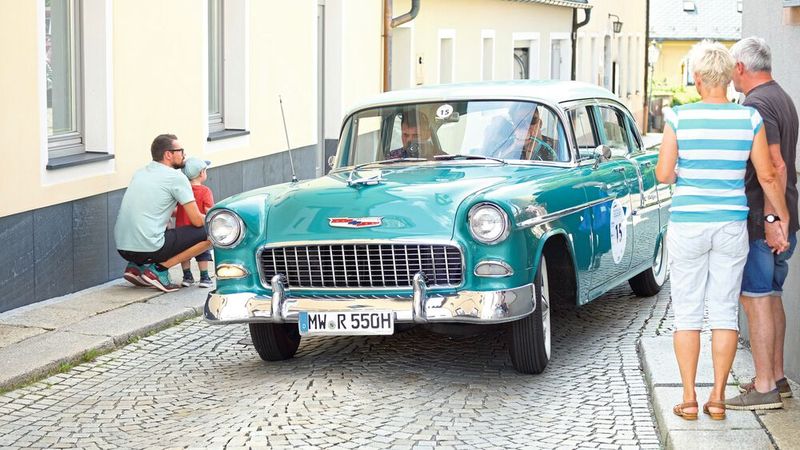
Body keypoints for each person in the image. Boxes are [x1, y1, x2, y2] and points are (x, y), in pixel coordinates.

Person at [655, 41, 790, 421]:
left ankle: (687, 398)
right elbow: (766, 174)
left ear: (697, 79)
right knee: (725, 312)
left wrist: (685, 174)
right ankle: (717, 398)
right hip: (731, 224)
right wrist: (779, 217)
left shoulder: (679, 118)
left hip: (689, 222)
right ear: (731, 77)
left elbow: (664, 174)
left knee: (687, 312)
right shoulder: (748, 119)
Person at [725, 37, 799, 411]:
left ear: (740, 67)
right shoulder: (781, 96)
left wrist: (773, 219)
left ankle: (765, 385)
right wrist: (785, 218)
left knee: (756, 300)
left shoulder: (755, 105)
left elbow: (775, 167)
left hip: (762, 219)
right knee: (771, 296)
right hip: (782, 218)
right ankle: (778, 378)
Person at [114, 134, 212, 293]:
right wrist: (217, 219)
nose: (184, 155)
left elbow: (155, 209)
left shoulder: (140, 172)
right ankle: (158, 270)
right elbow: (196, 221)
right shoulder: (177, 178)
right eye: (180, 151)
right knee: (212, 232)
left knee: (158, 226)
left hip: (123, 247)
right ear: (168, 154)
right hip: (149, 248)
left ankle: (136, 267)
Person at [175, 157, 215, 288]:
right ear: (201, 173)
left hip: (181, 229)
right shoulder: (205, 191)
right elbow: (209, 211)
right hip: (198, 229)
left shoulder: (182, 190)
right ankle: (204, 277)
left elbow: (176, 210)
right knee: (203, 252)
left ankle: (187, 277)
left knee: (184, 253)